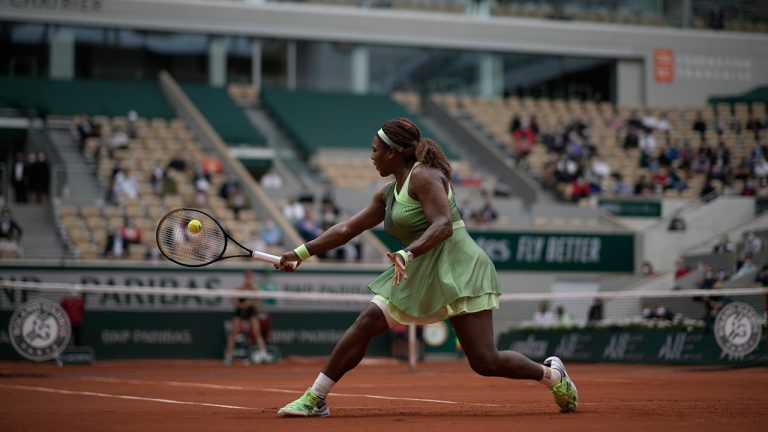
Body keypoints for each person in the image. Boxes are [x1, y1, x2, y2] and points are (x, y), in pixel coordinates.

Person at [272, 118, 577, 417]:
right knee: (367, 321)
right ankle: (316, 398)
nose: (371, 155)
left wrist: (408, 252)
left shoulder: (425, 177)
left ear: (392, 152)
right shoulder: (389, 193)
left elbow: (443, 225)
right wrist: (301, 252)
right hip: (417, 263)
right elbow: (347, 229)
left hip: (459, 265)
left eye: (375, 149)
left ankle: (552, 376)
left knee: (485, 361)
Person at [223, 270, 271, 366]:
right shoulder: (239, 288)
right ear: (245, 277)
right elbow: (232, 299)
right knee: (234, 333)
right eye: (247, 276)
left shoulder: (255, 288)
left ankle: (263, 354)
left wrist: (249, 304)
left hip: (251, 311)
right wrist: (239, 305)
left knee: (257, 333)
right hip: (240, 311)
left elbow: (259, 301)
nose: (249, 278)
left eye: (250, 276)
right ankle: (228, 356)